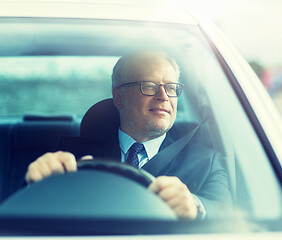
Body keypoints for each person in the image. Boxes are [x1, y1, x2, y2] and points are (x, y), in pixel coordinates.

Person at [25, 51, 232, 220]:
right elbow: (25, 209)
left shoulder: (206, 161)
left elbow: (229, 216)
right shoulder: (71, 156)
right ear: (119, 97)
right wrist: (36, 183)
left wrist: (196, 207)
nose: (163, 97)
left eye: (171, 88)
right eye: (149, 86)